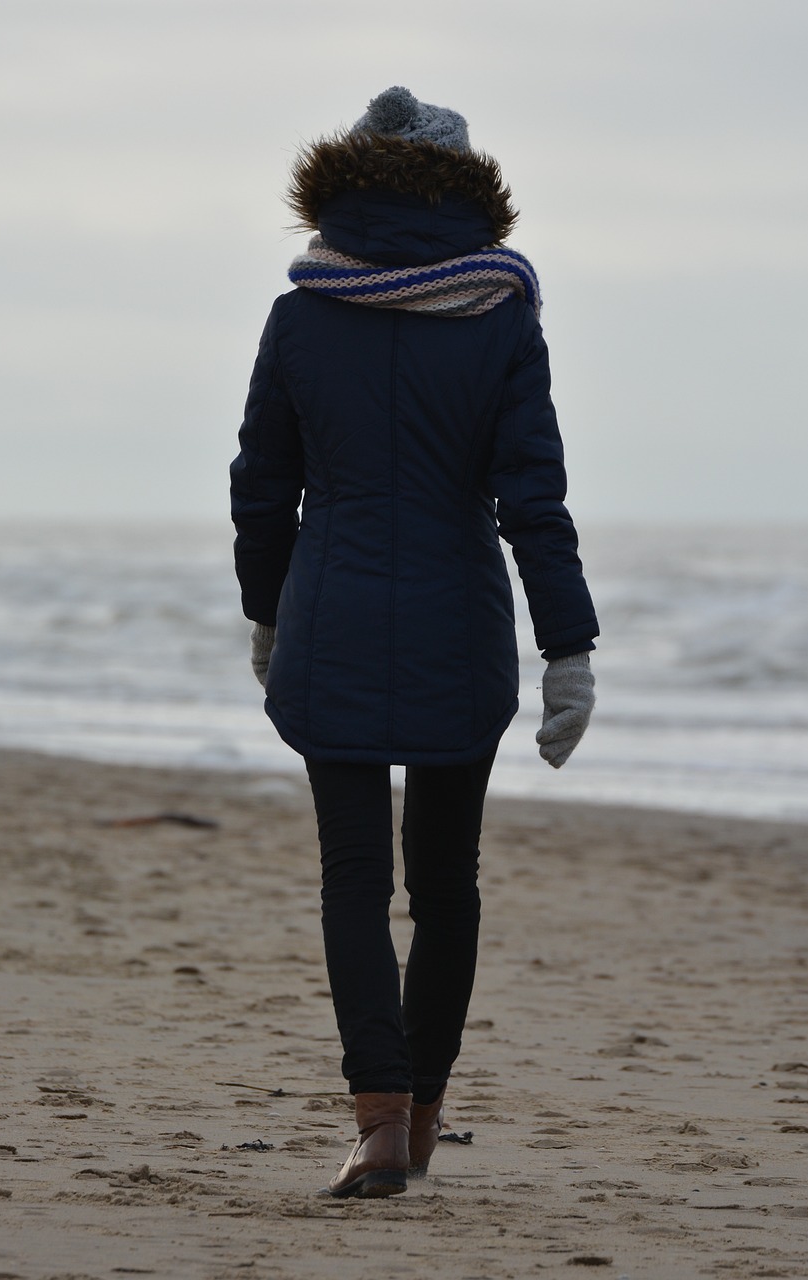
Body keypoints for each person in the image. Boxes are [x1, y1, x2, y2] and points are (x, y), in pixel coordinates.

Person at [230, 87, 599, 1199]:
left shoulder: (302, 308)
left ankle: (377, 1122)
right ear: (466, 187)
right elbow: (535, 497)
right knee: (445, 883)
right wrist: (566, 645)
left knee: (352, 877)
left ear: (347, 176)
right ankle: (422, 1117)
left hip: (330, 612)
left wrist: (266, 608)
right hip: (459, 618)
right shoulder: (501, 308)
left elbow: (261, 488)